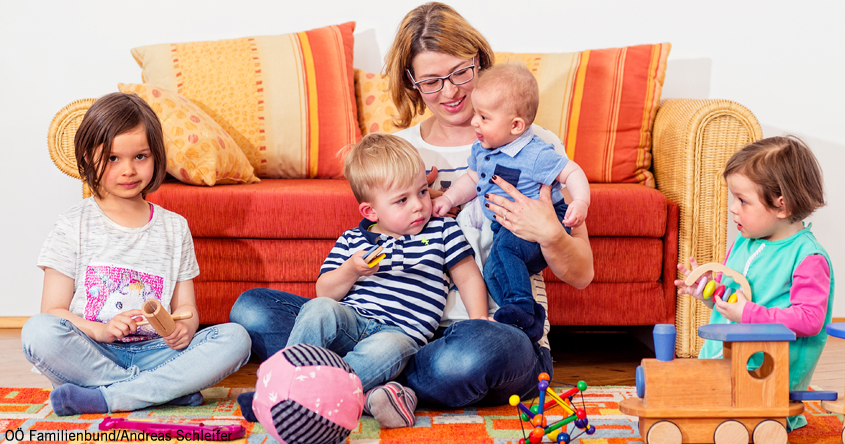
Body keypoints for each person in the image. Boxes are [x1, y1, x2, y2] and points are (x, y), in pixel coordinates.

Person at [230, 2, 594, 409]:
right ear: (411, 82)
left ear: (480, 61)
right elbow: (374, 244)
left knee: (474, 355)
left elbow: (582, 273)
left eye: (460, 72)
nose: (451, 92)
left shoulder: (529, 143)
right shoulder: (402, 153)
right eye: (432, 81)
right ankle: (377, 384)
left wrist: (550, 233)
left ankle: (331, 385)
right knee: (254, 309)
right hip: (388, 328)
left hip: (480, 333)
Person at [21, 92, 251, 416]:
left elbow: (187, 309)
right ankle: (160, 391)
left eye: (140, 156)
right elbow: (54, 311)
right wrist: (100, 330)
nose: (128, 170)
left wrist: (182, 328)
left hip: (158, 352)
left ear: (156, 156)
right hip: (96, 352)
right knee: (37, 332)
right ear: (88, 158)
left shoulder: (175, 228)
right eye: (113, 158)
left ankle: (110, 397)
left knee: (236, 338)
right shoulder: (72, 224)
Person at [241, 133, 490, 428]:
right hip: (353, 321)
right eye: (402, 200)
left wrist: (479, 319)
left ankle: (306, 399)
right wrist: (351, 270)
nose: (418, 206)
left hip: (401, 334)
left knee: (386, 351)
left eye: (423, 192)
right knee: (319, 309)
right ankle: (287, 384)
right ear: (371, 211)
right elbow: (324, 292)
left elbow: (468, 275)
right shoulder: (353, 239)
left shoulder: (443, 230)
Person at [675, 136, 833, 432]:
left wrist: (749, 315)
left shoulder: (808, 258)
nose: (732, 208)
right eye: (733, 197)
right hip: (725, 363)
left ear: (782, 206)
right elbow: (734, 299)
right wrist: (710, 293)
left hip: (764, 376)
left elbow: (810, 319)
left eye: (743, 200)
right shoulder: (744, 242)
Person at [432, 63, 590, 334]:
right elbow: (472, 179)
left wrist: (580, 202)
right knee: (494, 268)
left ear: (516, 125)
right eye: (475, 114)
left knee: (504, 252)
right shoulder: (484, 148)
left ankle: (521, 307)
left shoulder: (535, 153)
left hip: (536, 227)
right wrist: (448, 199)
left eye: (483, 117)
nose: (474, 122)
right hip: (505, 228)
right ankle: (525, 318)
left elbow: (572, 171)